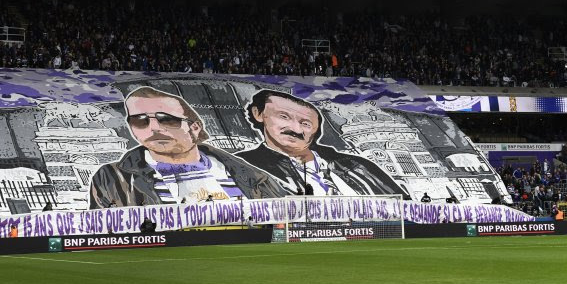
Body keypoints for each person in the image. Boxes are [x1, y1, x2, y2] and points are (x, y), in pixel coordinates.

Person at [90, 86, 284, 208]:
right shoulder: (112, 178)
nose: (154, 128)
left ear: (195, 127)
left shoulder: (250, 175)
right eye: (140, 121)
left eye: (167, 119)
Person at [235, 90, 407, 197]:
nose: (296, 129)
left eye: (305, 124)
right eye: (283, 116)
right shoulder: (240, 166)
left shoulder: (356, 165)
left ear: (316, 129)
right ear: (258, 114)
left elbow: (401, 201)